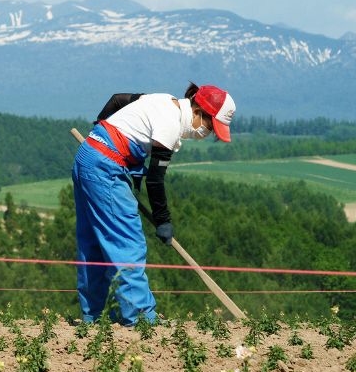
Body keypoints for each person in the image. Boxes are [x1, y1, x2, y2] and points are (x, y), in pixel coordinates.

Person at [72, 83, 236, 326]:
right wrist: (163, 221)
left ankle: (92, 316)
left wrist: (99, 129)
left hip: (88, 157)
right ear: (199, 112)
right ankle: (140, 319)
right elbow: (156, 180)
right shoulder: (170, 124)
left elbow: (117, 99)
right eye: (211, 127)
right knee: (127, 243)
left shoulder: (161, 99)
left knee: (93, 243)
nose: (208, 133)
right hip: (105, 167)